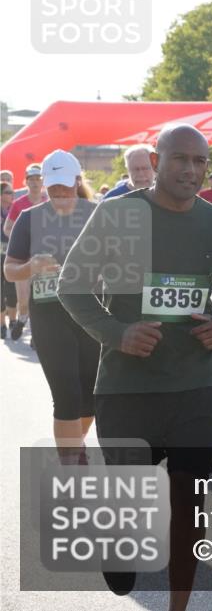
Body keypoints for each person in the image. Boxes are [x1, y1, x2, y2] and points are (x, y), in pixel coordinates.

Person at [58, 124, 212, 608]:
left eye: (199, 162)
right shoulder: (118, 213)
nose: (190, 170)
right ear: (157, 161)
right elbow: (72, 286)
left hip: (197, 383)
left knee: (189, 504)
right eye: (180, 159)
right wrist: (117, 333)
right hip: (128, 387)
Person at [5, 150, 98, 462]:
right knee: (67, 396)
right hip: (49, 318)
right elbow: (10, 270)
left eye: (65, 186)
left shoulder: (96, 215)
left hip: (91, 316)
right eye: (53, 186)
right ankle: (73, 462)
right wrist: (32, 265)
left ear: (77, 181)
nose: (59, 192)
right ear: (44, 184)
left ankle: (73, 443)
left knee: (92, 398)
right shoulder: (29, 219)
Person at [3, 164, 48, 340]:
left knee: (41, 299)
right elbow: (7, 228)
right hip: (23, 259)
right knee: (23, 300)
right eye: (32, 180)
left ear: (43, 181)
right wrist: (21, 238)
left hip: (45, 258)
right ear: (26, 182)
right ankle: (22, 320)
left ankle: (36, 335)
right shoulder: (18, 204)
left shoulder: (49, 201)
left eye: (38, 179)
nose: (35, 183)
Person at [1, 183, 18, 338]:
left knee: (12, 288)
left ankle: (13, 320)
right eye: (8, 192)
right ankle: (1, 324)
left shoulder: (15, 209)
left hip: (11, 254)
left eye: (12, 192)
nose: (11, 195)